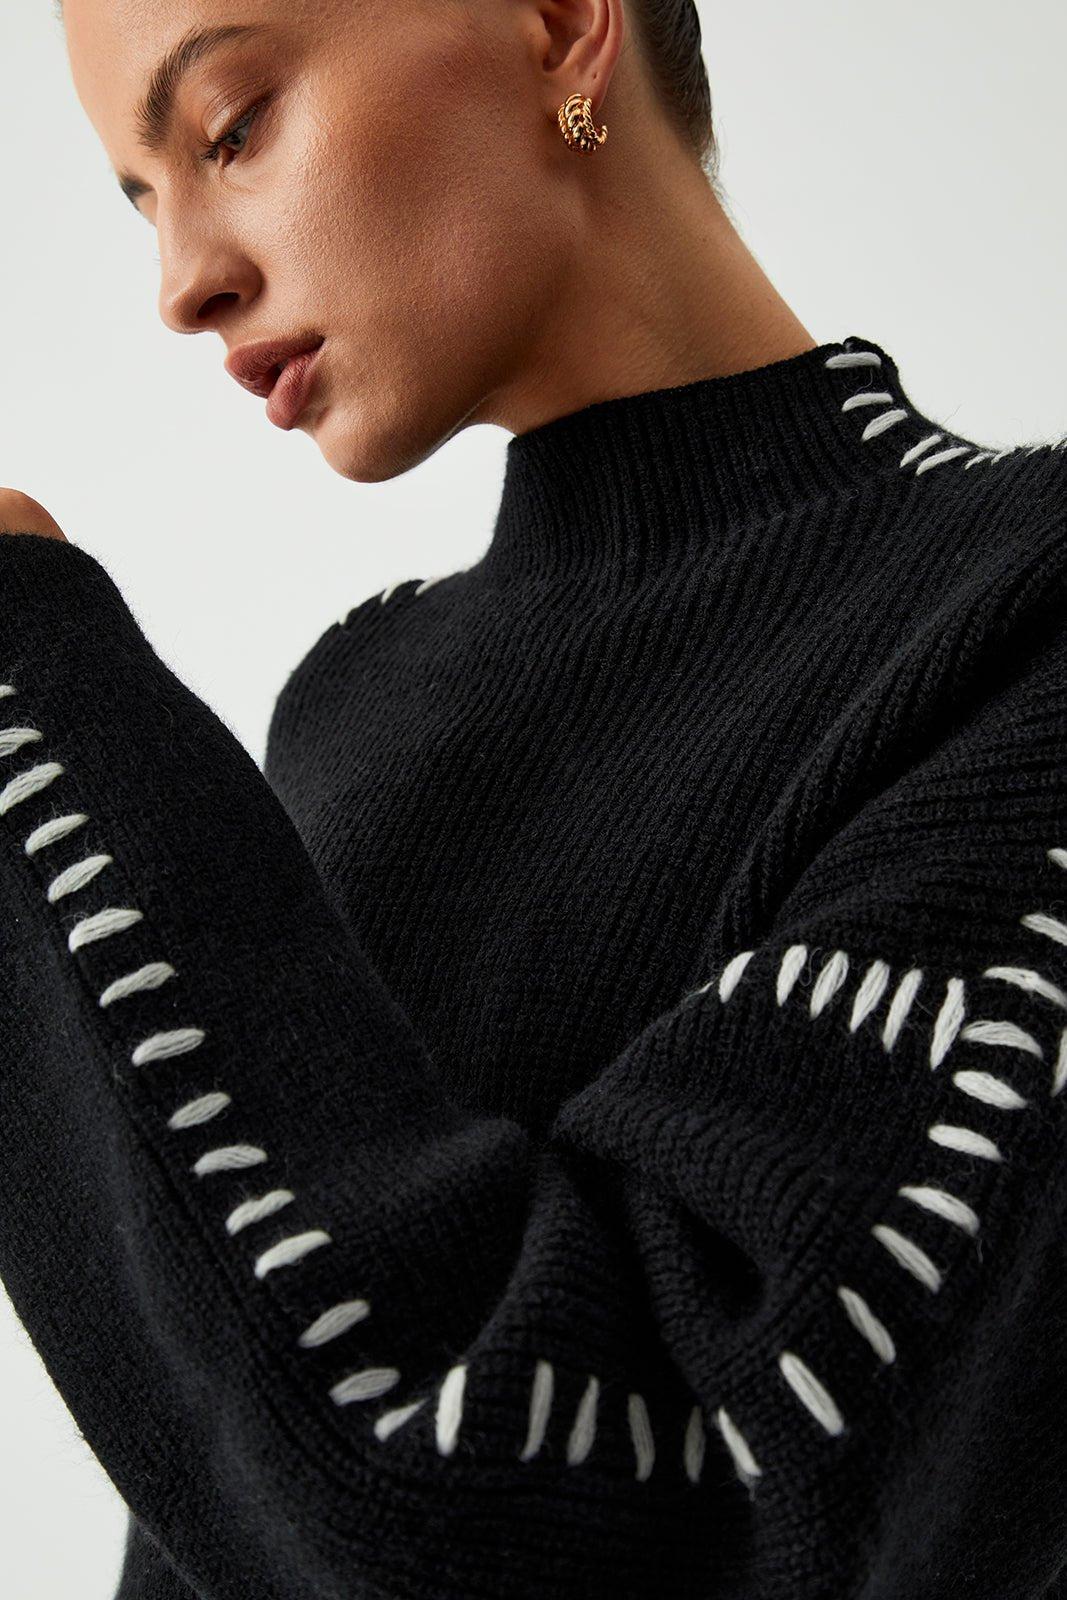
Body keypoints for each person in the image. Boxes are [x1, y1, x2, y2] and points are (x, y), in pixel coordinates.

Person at [2, 1, 1066, 1596]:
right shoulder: (351, 710)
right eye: (143, 199)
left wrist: (27, 699)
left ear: (562, 25)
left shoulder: (1020, 621)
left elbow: (620, 1504)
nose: (182, 282)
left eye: (231, 128)